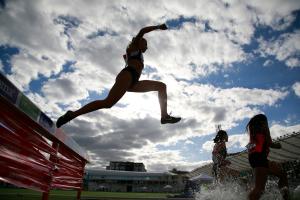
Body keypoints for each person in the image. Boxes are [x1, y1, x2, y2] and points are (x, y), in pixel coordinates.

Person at [56, 24, 181, 128]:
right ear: (139, 42)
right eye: (145, 44)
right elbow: (142, 31)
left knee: (161, 86)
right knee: (107, 103)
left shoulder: (136, 53)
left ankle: (164, 117)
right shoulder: (133, 46)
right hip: (127, 75)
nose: (147, 47)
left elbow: (128, 58)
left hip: (134, 81)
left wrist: (126, 59)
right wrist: (158, 27)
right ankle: (72, 114)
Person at [246, 114, 289, 200]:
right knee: (259, 188)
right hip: (260, 158)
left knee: (282, 174)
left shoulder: (253, 131)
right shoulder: (264, 128)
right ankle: (285, 196)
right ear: (264, 122)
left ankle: (285, 196)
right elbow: (269, 143)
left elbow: (250, 147)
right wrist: (278, 145)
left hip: (254, 158)